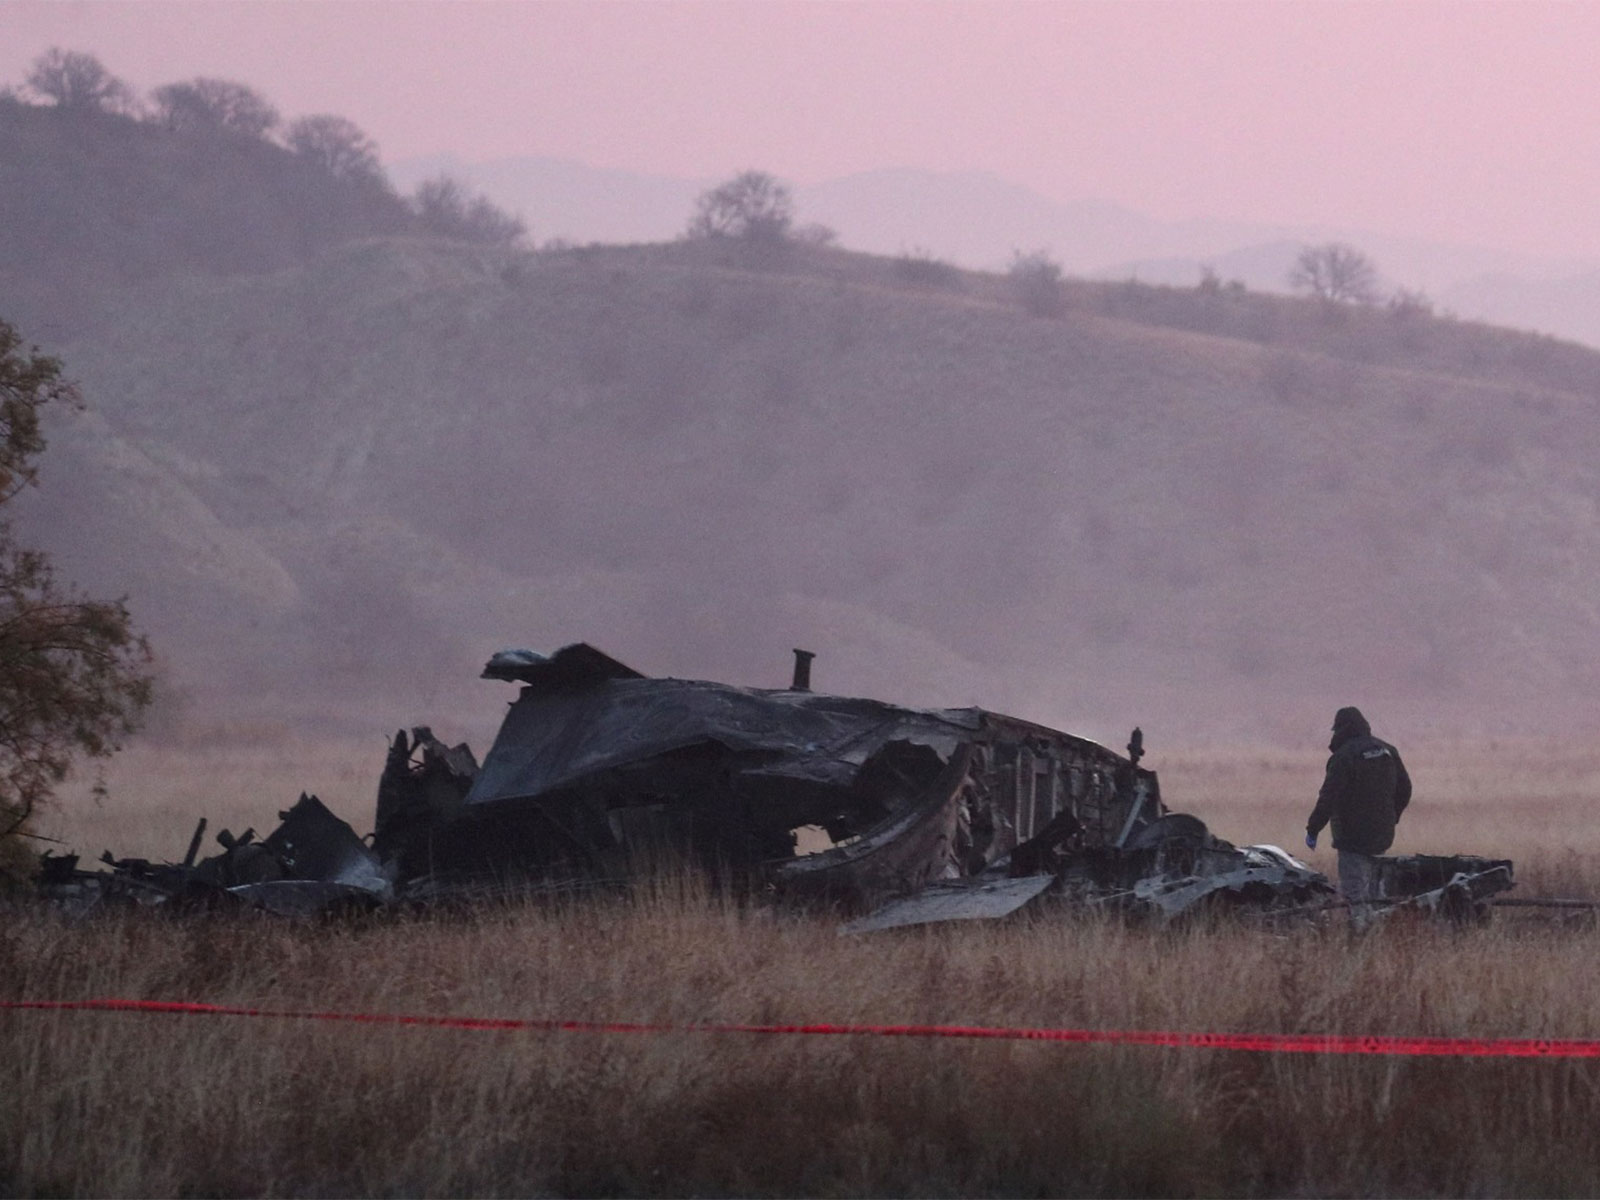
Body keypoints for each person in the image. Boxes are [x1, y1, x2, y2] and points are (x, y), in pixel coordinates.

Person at [1304, 706, 1411, 927]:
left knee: (1356, 895)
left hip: (1351, 839)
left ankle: (1363, 936)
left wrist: (1313, 829)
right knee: (1377, 893)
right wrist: (1393, 817)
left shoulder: (1344, 757)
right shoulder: (1388, 751)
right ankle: (1380, 931)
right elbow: (1405, 789)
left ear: (1342, 729)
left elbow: (1328, 798)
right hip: (1382, 837)